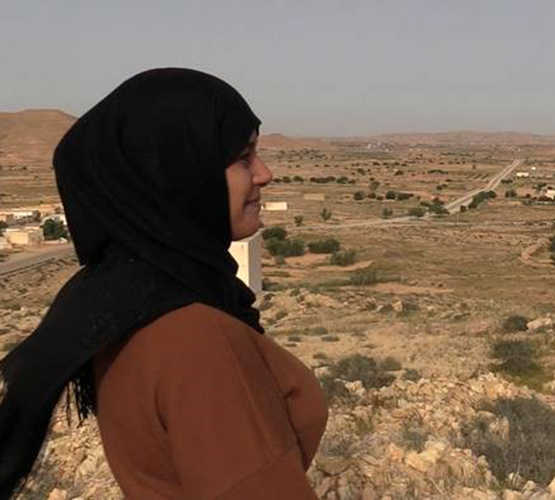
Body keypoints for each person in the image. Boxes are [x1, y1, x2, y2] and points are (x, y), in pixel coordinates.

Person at [0, 68, 328, 499]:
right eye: (243, 157)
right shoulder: (199, 339)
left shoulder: (118, 299)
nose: (264, 174)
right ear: (180, 173)